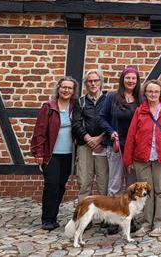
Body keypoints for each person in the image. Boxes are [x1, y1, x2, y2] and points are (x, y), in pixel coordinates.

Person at [123, 79, 161, 237]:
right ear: (145, 93)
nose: (153, 94)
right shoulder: (140, 111)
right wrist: (127, 159)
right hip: (142, 157)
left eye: (156, 91)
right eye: (150, 91)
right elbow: (131, 135)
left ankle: (160, 224)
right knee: (144, 193)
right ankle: (146, 224)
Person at [31, 76, 78, 231]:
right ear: (58, 88)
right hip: (51, 154)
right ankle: (47, 219)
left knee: (60, 186)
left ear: (73, 91)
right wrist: (38, 152)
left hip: (67, 154)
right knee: (51, 185)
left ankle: (53, 215)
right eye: (64, 87)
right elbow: (39, 131)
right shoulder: (49, 107)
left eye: (70, 88)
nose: (66, 90)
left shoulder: (75, 107)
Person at [99, 67, 142, 234]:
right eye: (128, 78)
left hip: (134, 147)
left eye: (134, 78)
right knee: (115, 184)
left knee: (132, 185)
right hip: (116, 146)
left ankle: (130, 217)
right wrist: (111, 131)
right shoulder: (111, 97)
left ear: (137, 81)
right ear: (122, 79)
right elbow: (102, 118)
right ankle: (113, 219)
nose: (131, 81)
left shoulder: (140, 99)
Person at [73, 70, 108, 206]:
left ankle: (103, 214)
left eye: (96, 80)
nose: (93, 83)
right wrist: (89, 139)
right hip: (84, 146)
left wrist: (100, 139)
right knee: (84, 182)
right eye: (90, 81)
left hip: (103, 146)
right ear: (86, 84)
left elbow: (112, 122)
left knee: (103, 181)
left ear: (101, 82)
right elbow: (76, 123)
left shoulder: (109, 100)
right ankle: (84, 217)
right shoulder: (80, 102)